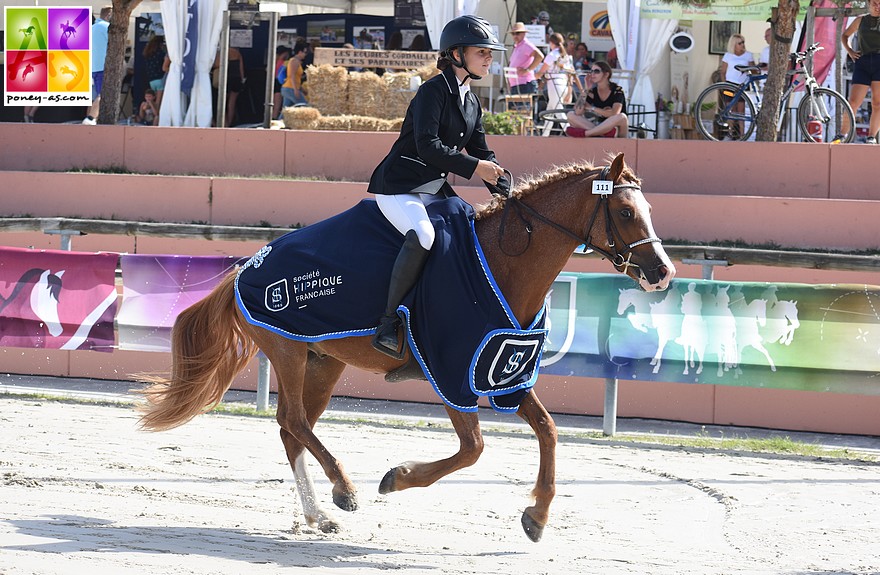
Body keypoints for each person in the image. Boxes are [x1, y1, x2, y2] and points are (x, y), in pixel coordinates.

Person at [367, 15, 510, 358]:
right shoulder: (432, 90)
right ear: (457, 54)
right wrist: (478, 167)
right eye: (482, 51)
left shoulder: (472, 101)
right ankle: (387, 324)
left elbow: (482, 152)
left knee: (470, 231)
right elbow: (428, 145)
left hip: (433, 187)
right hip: (400, 186)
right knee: (425, 236)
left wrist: (508, 192)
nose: (489, 58)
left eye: (490, 52)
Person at [842, 0, 880, 144]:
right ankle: (842, 135)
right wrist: (850, 51)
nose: (878, 6)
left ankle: (871, 137)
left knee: (877, 103)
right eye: (875, 3)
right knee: (853, 102)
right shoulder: (861, 20)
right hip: (863, 62)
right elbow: (845, 36)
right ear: (869, 4)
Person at [565, 60, 628, 138]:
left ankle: (587, 133)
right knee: (570, 115)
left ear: (606, 74)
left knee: (622, 117)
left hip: (617, 129)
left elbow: (614, 114)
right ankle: (601, 133)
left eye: (596, 71)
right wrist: (586, 89)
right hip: (602, 128)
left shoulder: (617, 91)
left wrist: (592, 108)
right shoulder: (592, 92)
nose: (592, 74)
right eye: (591, 71)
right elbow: (577, 112)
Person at [535, 32, 574, 135]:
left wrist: (531, 76)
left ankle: (570, 131)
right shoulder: (565, 56)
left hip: (554, 84)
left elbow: (541, 72)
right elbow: (570, 73)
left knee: (557, 110)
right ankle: (545, 134)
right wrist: (570, 90)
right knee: (550, 110)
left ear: (551, 43)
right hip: (563, 84)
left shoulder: (551, 55)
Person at [720, 34, 754, 139]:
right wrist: (724, 85)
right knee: (730, 109)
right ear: (734, 44)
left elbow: (753, 69)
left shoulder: (748, 55)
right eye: (740, 43)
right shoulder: (728, 55)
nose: (742, 45)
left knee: (741, 111)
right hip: (730, 85)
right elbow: (723, 72)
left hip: (742, 85)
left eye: (743, 42)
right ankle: (730, 132)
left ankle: (742, 135)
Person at [83, 6, 111, 125]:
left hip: (92, 68)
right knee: (102, 95)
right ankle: (90, 119)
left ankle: (90, 120)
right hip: (103, 67)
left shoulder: (92, 28)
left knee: (93, 98)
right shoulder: (108, 28)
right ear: (108, 15)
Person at [508, 21, 544, 99]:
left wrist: (527, 70)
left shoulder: (526, 45)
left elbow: (540, 56)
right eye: (513, 34)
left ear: (524, 34)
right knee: (516, 110)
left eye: (517, 33)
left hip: (525, 84)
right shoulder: (518, 46)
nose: (515, 36)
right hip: (517, 85)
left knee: (523, 110)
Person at [281, 40, 309, 108]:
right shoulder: (295, 61)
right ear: (300, 52)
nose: (305, 54)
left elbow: (296, 78)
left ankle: (278, 119)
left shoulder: (295, 61)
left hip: (288, 88)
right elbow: (292, 76)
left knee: (286, 111)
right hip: (290, 88)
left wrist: (301, 89)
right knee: (304, 105)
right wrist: (296, 90)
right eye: (304, 52)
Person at [143, 35, 167, 112]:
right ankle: (156, 118)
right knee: (158, 105)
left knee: (153, 103)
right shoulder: (161, 53)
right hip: (160, 79)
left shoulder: (148, 54)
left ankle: (145, 107)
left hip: (152, 80)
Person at [273, 45, 290, 119]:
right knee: (278, 104)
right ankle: (275, 118)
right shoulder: (283, 62)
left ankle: (274, 116)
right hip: (280, 82)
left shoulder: (274, 61)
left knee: (275, 103)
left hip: (275, 82)